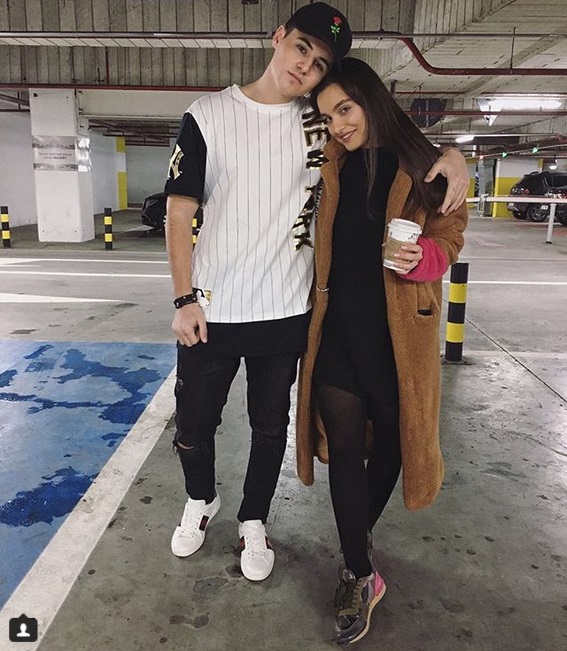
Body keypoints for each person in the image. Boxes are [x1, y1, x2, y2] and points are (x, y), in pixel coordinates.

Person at [164, 3, 469, 583]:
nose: (306, 65)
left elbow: (391, 136)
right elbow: (179, 214)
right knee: (194, 427)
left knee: (268, 427)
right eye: (301, 47)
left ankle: (254, 518)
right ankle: (200, 499)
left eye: (321, 62)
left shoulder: (318, 124)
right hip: (213, 307)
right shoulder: (207, 115)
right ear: (279, 37)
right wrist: (184, 298)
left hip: (287, 310)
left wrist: (453, 157)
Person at [295, 57, 468, 644]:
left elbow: (451, 233)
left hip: (399, 341)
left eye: (345, 109)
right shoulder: (330, 166)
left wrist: (426, 260)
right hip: (338, 334)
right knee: (344, 450)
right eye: (328, 117)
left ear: (372, 100)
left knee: (393, 444)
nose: (339, 125)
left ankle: (356, 538)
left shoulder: (425, 166)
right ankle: (358, 570)